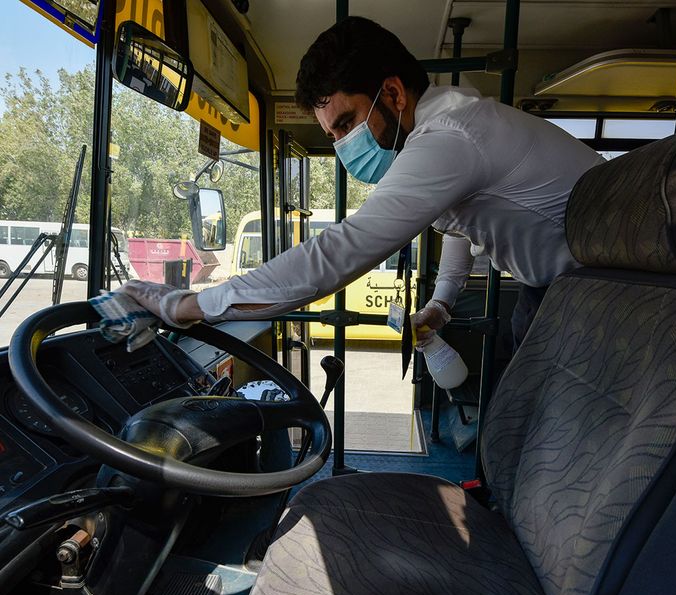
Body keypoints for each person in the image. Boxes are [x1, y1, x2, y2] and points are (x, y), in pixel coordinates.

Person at [121, 16, 603, 350]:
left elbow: (338, 252)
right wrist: (440, 305)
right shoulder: (455, 125)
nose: (342, 146)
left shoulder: (450, 138)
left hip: (593, 296)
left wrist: (191, 304)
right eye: (332, 135)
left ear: (393, 93)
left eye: (347, 123)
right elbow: (463, 228)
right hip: (556, 291)